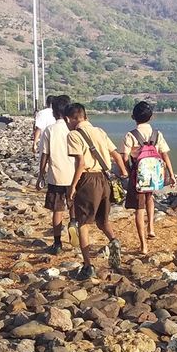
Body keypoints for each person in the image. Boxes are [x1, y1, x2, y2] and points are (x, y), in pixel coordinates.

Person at [66, 103, 129, 279]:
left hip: (88, 180)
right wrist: (123, 173)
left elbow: (81, 163)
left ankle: (88, 266)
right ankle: (114, 240)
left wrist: (72, 186)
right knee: (103, 220)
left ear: (69, 119)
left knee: (84, 224)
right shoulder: (100, 131)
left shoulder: (73, 135)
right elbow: (116, 155)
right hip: (105, 179)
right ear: (85, 116)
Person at [120, 101, 175, 255]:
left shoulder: (130, 135)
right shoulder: (157, 134)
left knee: (139, 209)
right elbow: (165, 155)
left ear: (133, 117)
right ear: (151, 117)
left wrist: (129, 171)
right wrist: (171, 175)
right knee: (150, 198)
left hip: (139, 175)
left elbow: (124, 157)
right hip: (155, 175)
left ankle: (143, 245)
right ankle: (151, 227)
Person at [37, 95, 73, 255]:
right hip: (73, 176)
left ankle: (57, 243)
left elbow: (45, 154)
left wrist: (41, 174)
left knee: (57, 210)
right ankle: (75, 233)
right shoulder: (72, 129)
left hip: (56, 176)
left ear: (53, 112)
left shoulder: (50, 130)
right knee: (73, 207)